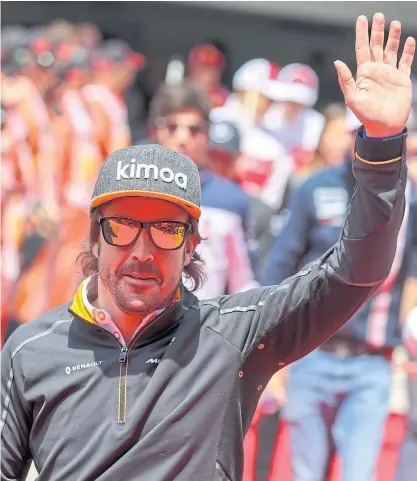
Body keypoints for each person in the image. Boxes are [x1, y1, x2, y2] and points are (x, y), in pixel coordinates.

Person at [1, 14, 415, 481]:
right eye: (122, 226)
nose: (142, 249)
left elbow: (355, 272)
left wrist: (381, 146)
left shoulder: (230, 339)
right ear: (94, 236)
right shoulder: (30, 351)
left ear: (192, 244)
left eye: (165, 229)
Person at [262, 29, 417, 481]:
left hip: (371, 363)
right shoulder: (316, 187)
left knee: (360, 474)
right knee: (306, 473)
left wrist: (406, 343)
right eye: (359, 131)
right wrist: (271, 356)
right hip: (312, 354)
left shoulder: (406, 198)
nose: (364, 140)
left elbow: (410, 276)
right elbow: (279, 269)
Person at [147, 81, 257, 298]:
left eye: (194, 129)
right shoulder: (131, 189)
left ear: (207, 134)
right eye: (171, 127)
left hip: (204, 323)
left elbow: (243, 282)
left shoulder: (231, 200)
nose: (182, 138)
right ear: (155, 132)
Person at [263, 62, 326, 171]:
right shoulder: (267, 117)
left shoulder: (317, 123)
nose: (292, 104)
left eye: (297, 101)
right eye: (288, 99)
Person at [187, 44, 230, 109]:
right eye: (203, 70)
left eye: (214, 71)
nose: (209, 76)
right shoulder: (182, 95)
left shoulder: (227, 99)